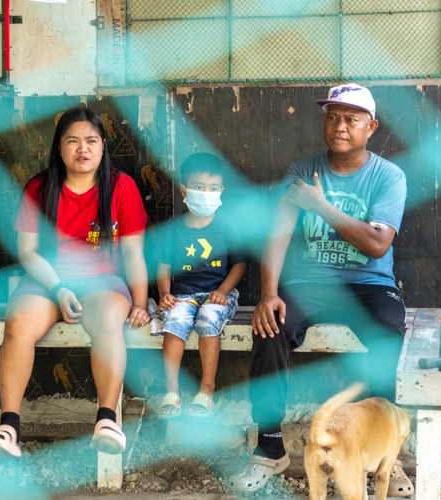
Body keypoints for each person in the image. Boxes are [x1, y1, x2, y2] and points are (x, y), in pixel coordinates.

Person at [229, 84, 412, 494]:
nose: (340, 126)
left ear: (371, 127)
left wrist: (321, 206)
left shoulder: (389, 175)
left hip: (369, 283)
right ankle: (270, 447)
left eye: (351, 119)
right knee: (270, 324)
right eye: (332, 117)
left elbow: (378, 243)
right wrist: (269, 292)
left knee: (388, 331)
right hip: (310, 281)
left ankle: (385, 456)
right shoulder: (300, 171)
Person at [0, 107, 150, 458]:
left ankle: (105, 420)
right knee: (18, 323)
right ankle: (9, 427)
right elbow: (28, 253)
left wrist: (142, 303)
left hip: (101, 280)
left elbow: (133, 254)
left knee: (108, 320)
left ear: (103, 147)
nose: (82, 149)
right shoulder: (39, 188)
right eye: (73, 141)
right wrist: (58, 287)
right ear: (58, 148)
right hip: (47, 280)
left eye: (91, 141)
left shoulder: (121, 187)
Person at [153, 153, 246, 418]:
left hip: (217, 295)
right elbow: (163, 266)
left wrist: (223, 291)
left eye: (213, 189)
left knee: (208, 319)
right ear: (184, 189)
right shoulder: (173, 229)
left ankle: (207, 389)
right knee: (174, 321)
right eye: (199, 187)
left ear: (221, 192)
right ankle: (171, 391)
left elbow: (239, 264)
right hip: (183, 294)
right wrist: (164, 294)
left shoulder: (226, 225)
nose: (206, 194)